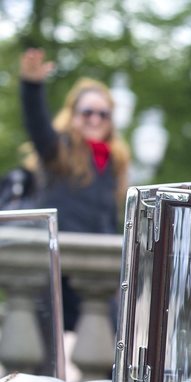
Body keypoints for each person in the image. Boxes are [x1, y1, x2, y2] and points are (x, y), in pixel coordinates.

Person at [18, 48, 131, 331]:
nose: (95, 119)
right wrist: (31, 87)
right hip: (59, 266)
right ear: (73, 115)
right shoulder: (60, 150)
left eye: (103, 114)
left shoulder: (113, 160)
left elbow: (108, 220)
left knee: (110, 349)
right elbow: (38, 127)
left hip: (95, 271)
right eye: (88, 112)